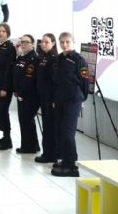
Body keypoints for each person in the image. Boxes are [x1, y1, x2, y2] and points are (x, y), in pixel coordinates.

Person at [51, 32, 89, 177]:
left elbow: (85, 82)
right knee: (60, 131)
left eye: (67, 42)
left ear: (73, 42)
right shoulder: (58, 58)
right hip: (60, 99)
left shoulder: (79, 60)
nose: (64, 44)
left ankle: (71, 167)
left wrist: (81, 99)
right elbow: (56, 81)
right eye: (62, 42)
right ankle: (66, 160)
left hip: (73, 100)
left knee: (68, 132)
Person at [13, 34, 40, 154]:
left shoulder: (33, 58)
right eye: (22, 42)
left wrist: (21, 93)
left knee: (26, 120)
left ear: (33, 44)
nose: (23, 44)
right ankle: (33, 145)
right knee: (25, 120)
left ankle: (29, 147)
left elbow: (28, 79)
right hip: (21, 94)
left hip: (29, 95)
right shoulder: (22, 57)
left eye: (26, 42)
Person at [0, 23, 16, 151]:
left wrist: (4, 87)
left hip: (4, 85)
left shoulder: (10, 47)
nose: (0, 33)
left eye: (3, 31)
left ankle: (8, 139)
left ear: (8, 33)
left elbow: (9, 69)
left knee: (3, 111)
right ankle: (4, 136)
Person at [35, 33, 58, 164]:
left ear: (53, 43)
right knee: (47, 125)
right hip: (43, 96)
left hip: (50, 98)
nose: (43, 44)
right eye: (42, 42)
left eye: (46, 42)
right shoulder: (43, 56)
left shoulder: (54, 58)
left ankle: (50, 154)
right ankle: (48, 152)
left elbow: (54, 81)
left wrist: (54, 99)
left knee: (50, 126)